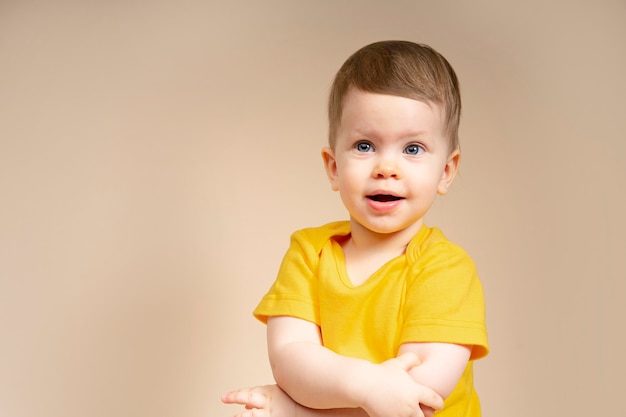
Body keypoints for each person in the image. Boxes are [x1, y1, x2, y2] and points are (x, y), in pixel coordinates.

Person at [222, 40, 489, 417]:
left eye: (412, 149)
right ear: (333, 167)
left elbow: (417, 402)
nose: (386, 167)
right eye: (365, 145)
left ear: (446, 171)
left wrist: (304, 412)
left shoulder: (446, 270)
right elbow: (290, 360)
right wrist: (366, 386)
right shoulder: (309, 252)